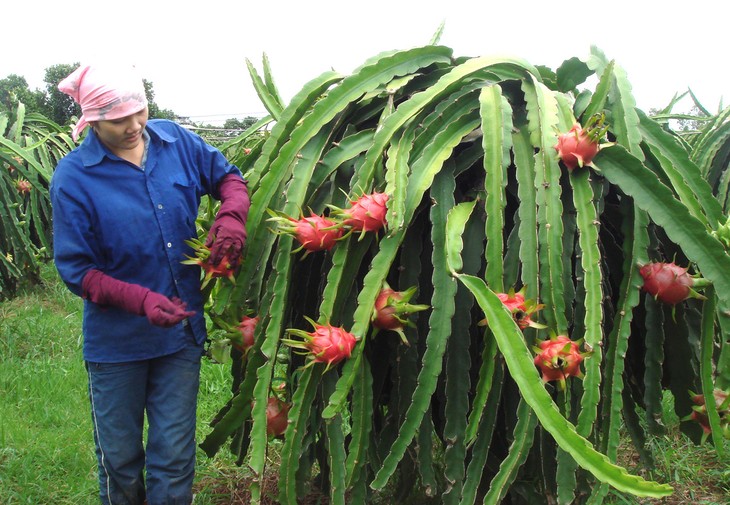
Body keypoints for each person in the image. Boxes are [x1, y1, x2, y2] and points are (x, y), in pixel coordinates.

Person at [50, 64, 250, 505]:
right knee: (120, 461)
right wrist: (139, 299)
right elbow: (77, 271)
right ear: (92, 121)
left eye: (139, 112)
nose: (134, 126)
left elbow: (229, 178)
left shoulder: (176, 142)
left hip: (180, 337)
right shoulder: (73, 179)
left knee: (175, 457)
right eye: (118, 119)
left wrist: (231, 215)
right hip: (117, 346)